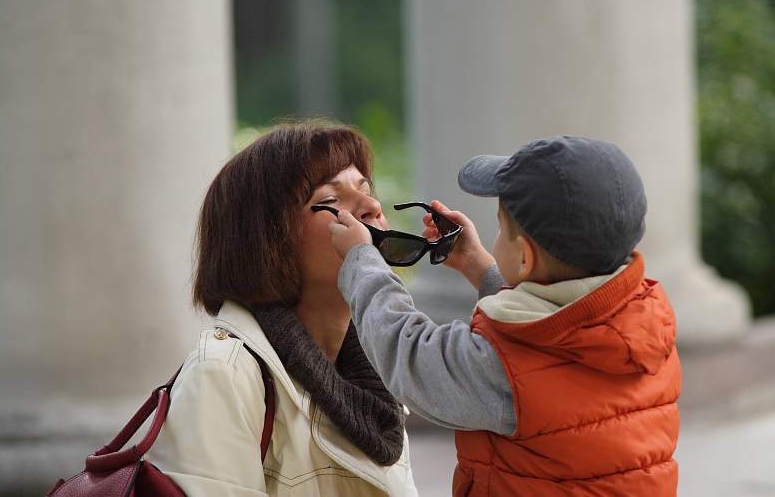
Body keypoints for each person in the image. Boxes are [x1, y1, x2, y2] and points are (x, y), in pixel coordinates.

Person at [325, 135, 682, 496]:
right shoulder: (642, 325)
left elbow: (410, 355)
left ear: (525, 258)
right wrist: (478, 266)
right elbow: (550, 332)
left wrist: (362, 261)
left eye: (500, 229)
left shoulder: (503, 373)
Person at [145, 122, 418, 496]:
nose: (371, 208)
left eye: (366, 191)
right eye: (332, 200)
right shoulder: (224, 374)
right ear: (270, 239)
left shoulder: (378, 371)